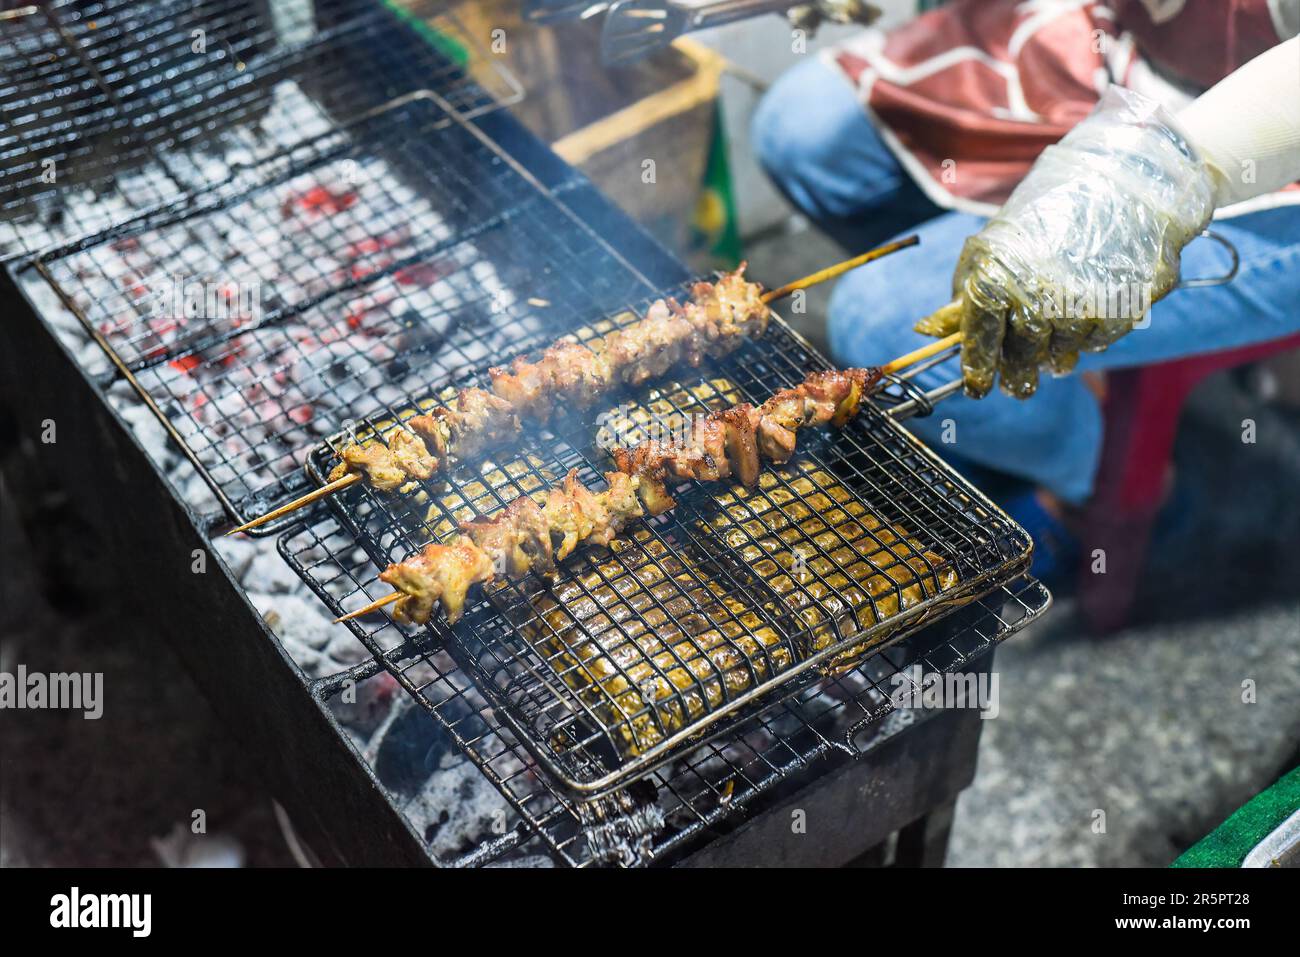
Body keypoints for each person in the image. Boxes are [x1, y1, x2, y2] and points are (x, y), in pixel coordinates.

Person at [751, 1, 1300, 556]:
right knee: (802, 130)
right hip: (1125, 57)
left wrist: (1152, 180)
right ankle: (1024, 389)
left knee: (885, 322)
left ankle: (1119, 490)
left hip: (1270, 138)